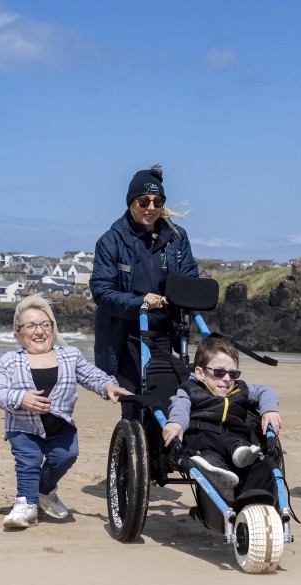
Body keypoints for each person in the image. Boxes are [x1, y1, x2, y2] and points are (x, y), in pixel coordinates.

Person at [0, 294, 131, 529]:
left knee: (66, 457)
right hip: (23, 427)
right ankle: (25, 504)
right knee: (29, 461)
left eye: (45, 325)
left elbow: (91, 376)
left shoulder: (70, 355)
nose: (39, 331)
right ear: (18, 335)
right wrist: (21, 398)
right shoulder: (8, 361)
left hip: (61, 426)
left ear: (53, 329)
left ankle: (43, 492)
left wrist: (107, 386)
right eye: (31, 326)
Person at [90, 164, 199, 419]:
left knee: (167, 400)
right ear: (131, 202)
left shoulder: (176, 237)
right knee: (134, 402)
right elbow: (102, 292)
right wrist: (140, 301)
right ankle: (134, 453)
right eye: (143, 201)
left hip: (164, 332)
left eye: (157, 201)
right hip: (126, 335)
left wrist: (185, 296)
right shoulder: (111, 241)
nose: (151, 207)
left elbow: (189, 276)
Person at [162, 336, 282, 504]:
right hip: (202, 439)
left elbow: (265, 391)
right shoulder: (190, 390)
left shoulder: (241, 390)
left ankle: (242, 455)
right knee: (209, 454)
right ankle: (218, 471)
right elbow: (179, 407)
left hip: (232, 438)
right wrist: (176, 423)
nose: (226, 378)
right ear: (200, 372)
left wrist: (269, 409)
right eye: (218, 372)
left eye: (233, 373)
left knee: (238, 443)